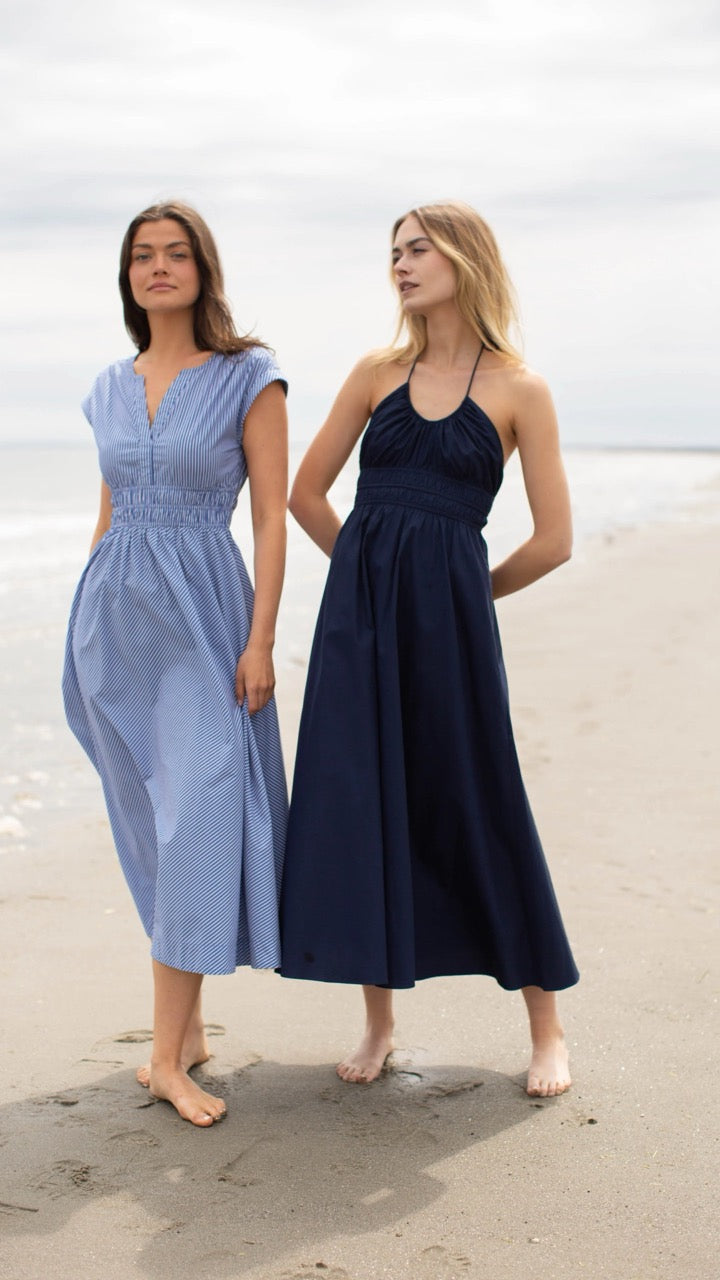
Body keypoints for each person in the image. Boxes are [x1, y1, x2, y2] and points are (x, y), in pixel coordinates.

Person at [280, 201, 578, 1098]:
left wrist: (462, 596)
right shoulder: (377, 372)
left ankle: (547, 1028)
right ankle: (379, 1022)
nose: (401, 265)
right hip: (359, 632)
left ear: (464, 257)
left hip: (451, 635)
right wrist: (368, 579)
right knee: (369, 805)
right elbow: (306, 495)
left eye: (418, 249)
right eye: (394, 252)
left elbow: (554, 539)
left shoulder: (520, 389)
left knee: (480, 798)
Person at [63, 201, 288, 1126]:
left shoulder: (250, 376)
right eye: (143, 257)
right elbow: (110, 508)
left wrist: (263, 638)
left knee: (196, 821)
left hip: (207, 621)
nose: (159, 268)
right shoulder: (110, 387)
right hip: (114, 627)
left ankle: (162, 1059)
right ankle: (185, 1032)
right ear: (128, 277)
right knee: (151, 830)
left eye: (176, 254)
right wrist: (84, 622)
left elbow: (272, 515)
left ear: (203, 270)